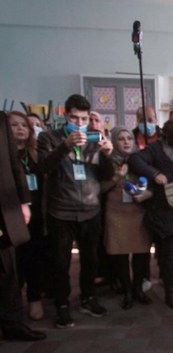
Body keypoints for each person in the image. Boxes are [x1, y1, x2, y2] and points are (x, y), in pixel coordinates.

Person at [37, 94, 114, 328]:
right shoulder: (48, 137)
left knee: (90, 259)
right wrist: (65, 146)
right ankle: (62, 304)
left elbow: (106, 175)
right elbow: (44, 167)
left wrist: (108, 155)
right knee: (61, 262)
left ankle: (88, 297)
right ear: (65, 115)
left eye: (83, 119)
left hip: (90, 208)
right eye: (74, 117)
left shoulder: (94, 138)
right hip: (61, 210)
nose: (79, 123)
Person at [1, 112, 46, 353]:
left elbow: (13, 165)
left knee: (8, 273)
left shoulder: (1, 121)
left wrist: (23, 201)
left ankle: (12, 323)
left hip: (6, 209)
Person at [128, 118, 173, 310]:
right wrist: (154, 174)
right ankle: (170, 292)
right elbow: (134, 159)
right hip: (164, 211)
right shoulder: (155, 149)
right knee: (169, 256)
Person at [101, 126, 153, 309]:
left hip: (137, 213)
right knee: (121, 254)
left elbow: (153, 183)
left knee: (141, 253)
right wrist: (117, 177)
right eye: (121, 138)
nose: (126, 142)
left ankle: (138, 288)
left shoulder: (140, 160)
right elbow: (99, 188)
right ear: (114, 141)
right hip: (116, 213)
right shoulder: (107, 160)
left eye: (129, 138)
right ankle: (127, 291)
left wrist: (148, 194)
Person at [8, 112, 48, 320]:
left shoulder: (35, 154)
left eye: (23, 125)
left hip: (36, 214)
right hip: (10, 215)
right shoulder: (4, 156)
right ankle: (13, 304)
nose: (20, 129)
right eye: (14, 125)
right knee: (13, 262)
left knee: (34, 257)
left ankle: (34, 299)